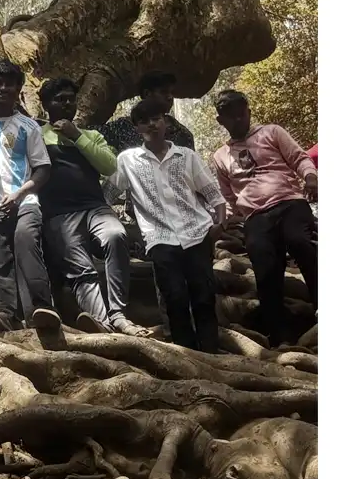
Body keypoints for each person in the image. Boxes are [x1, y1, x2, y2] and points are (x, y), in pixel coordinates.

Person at [105, 97, 228, 354]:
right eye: (144, 121)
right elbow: (109, 192)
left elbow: (213, 194)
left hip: (197, 233)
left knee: (203, 296)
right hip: (160, 238)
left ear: (166, 121)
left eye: (157, 118)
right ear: (137, 128)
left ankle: (211, 351)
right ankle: (188, 355)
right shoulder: (128, 160)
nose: (152, 125)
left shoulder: (186, 156)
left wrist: (220, 224)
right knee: (174, 297)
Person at [37, 77, 146, 336]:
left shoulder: (92, 135)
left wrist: (76, 136)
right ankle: (102, 324)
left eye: (70, 99)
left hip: (95, 207)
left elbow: (109, 166)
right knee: (80, 267)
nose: (66, 104)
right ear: (46, 105)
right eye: (59, 99)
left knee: (116, 235)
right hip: (59, 215)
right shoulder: (38, 136)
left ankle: (119, 314)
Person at [210, 90, 318, 346]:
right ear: (220, 120)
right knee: (265, 268)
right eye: (231, 117)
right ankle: (279, 335)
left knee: (302, 243)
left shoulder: (272, 132)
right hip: (256, 216)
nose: (238, 120)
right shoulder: (220, 156)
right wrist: (234, 216)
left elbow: (299, 158)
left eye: (242, 114)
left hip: (290, 202)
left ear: (248, 111)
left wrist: (311, 178)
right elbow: (227, 194)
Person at [0, 59, 56, 333]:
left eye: (10, 83)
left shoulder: (28, 126)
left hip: (25, 202)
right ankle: (3, 314)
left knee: (26, 241)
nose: (3, 88)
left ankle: (43, 309)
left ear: (19, 88)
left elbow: (43, 169)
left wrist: (20, 194)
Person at [98, 70, 196, 152]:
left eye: (172, 92)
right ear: (147, 94)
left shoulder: (183, 135)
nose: (170, 97)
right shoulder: (123, 127)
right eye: (164, 92)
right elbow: (90, 135)